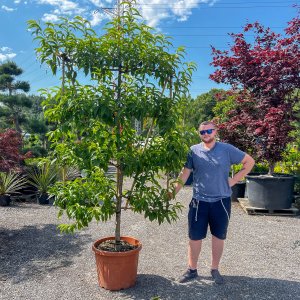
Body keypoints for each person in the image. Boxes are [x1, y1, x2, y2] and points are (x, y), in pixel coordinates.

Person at [173, 121, 255, 284]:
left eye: (209, 131)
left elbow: (249, 162)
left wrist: (234, 180)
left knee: (219, 236)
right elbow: (184, 174)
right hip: (199, 202)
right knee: (194, 237)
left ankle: (215, 269)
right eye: (202, 132)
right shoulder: (193, 151)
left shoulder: (227, 149)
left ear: (215, 131)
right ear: (199, 134)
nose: (206, 134)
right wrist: (171, 193)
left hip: (221, 202)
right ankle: (192, 270)